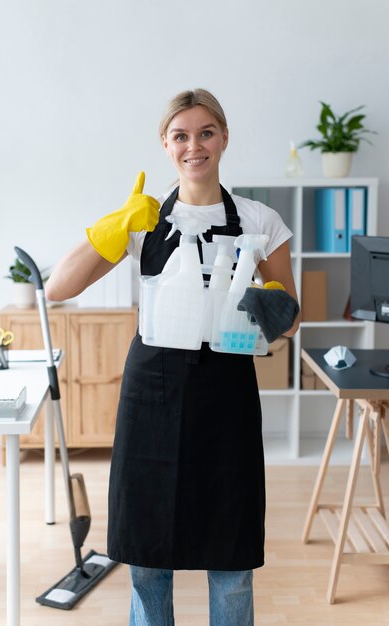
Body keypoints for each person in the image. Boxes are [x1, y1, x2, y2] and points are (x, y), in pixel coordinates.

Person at [45, 88, 300, 626]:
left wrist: (268, 303)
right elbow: (58, 287)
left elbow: (290, 315)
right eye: (180, 136)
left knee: (230, 556)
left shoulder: (260, 220)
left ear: (224, 138)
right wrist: (118, 224)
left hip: (227, 389)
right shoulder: (144, 220)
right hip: (152, 391)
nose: (194, 146)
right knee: (146, 555)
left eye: (205, 133)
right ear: (165, 144)